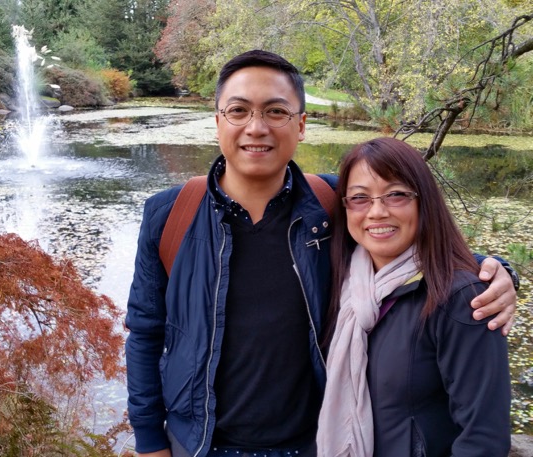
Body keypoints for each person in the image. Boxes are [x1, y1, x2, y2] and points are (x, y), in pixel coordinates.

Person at [125, 50, 517, 457]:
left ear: (301, 125)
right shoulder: (171, 215)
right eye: (238, 111)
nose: (256, 128)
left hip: (314, 442)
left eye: (276, 112)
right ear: (218, 121)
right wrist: (150, 441)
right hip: (199, 444)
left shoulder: (331, 203)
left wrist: (496, 271)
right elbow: (145, 334)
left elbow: (414, 241)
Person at [317, 137, 511, 456]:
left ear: (424, 200)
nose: (377, 212)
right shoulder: (341, 281)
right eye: (360, 198)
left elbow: (483, 438)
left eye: (396, 195)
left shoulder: (462, 298)